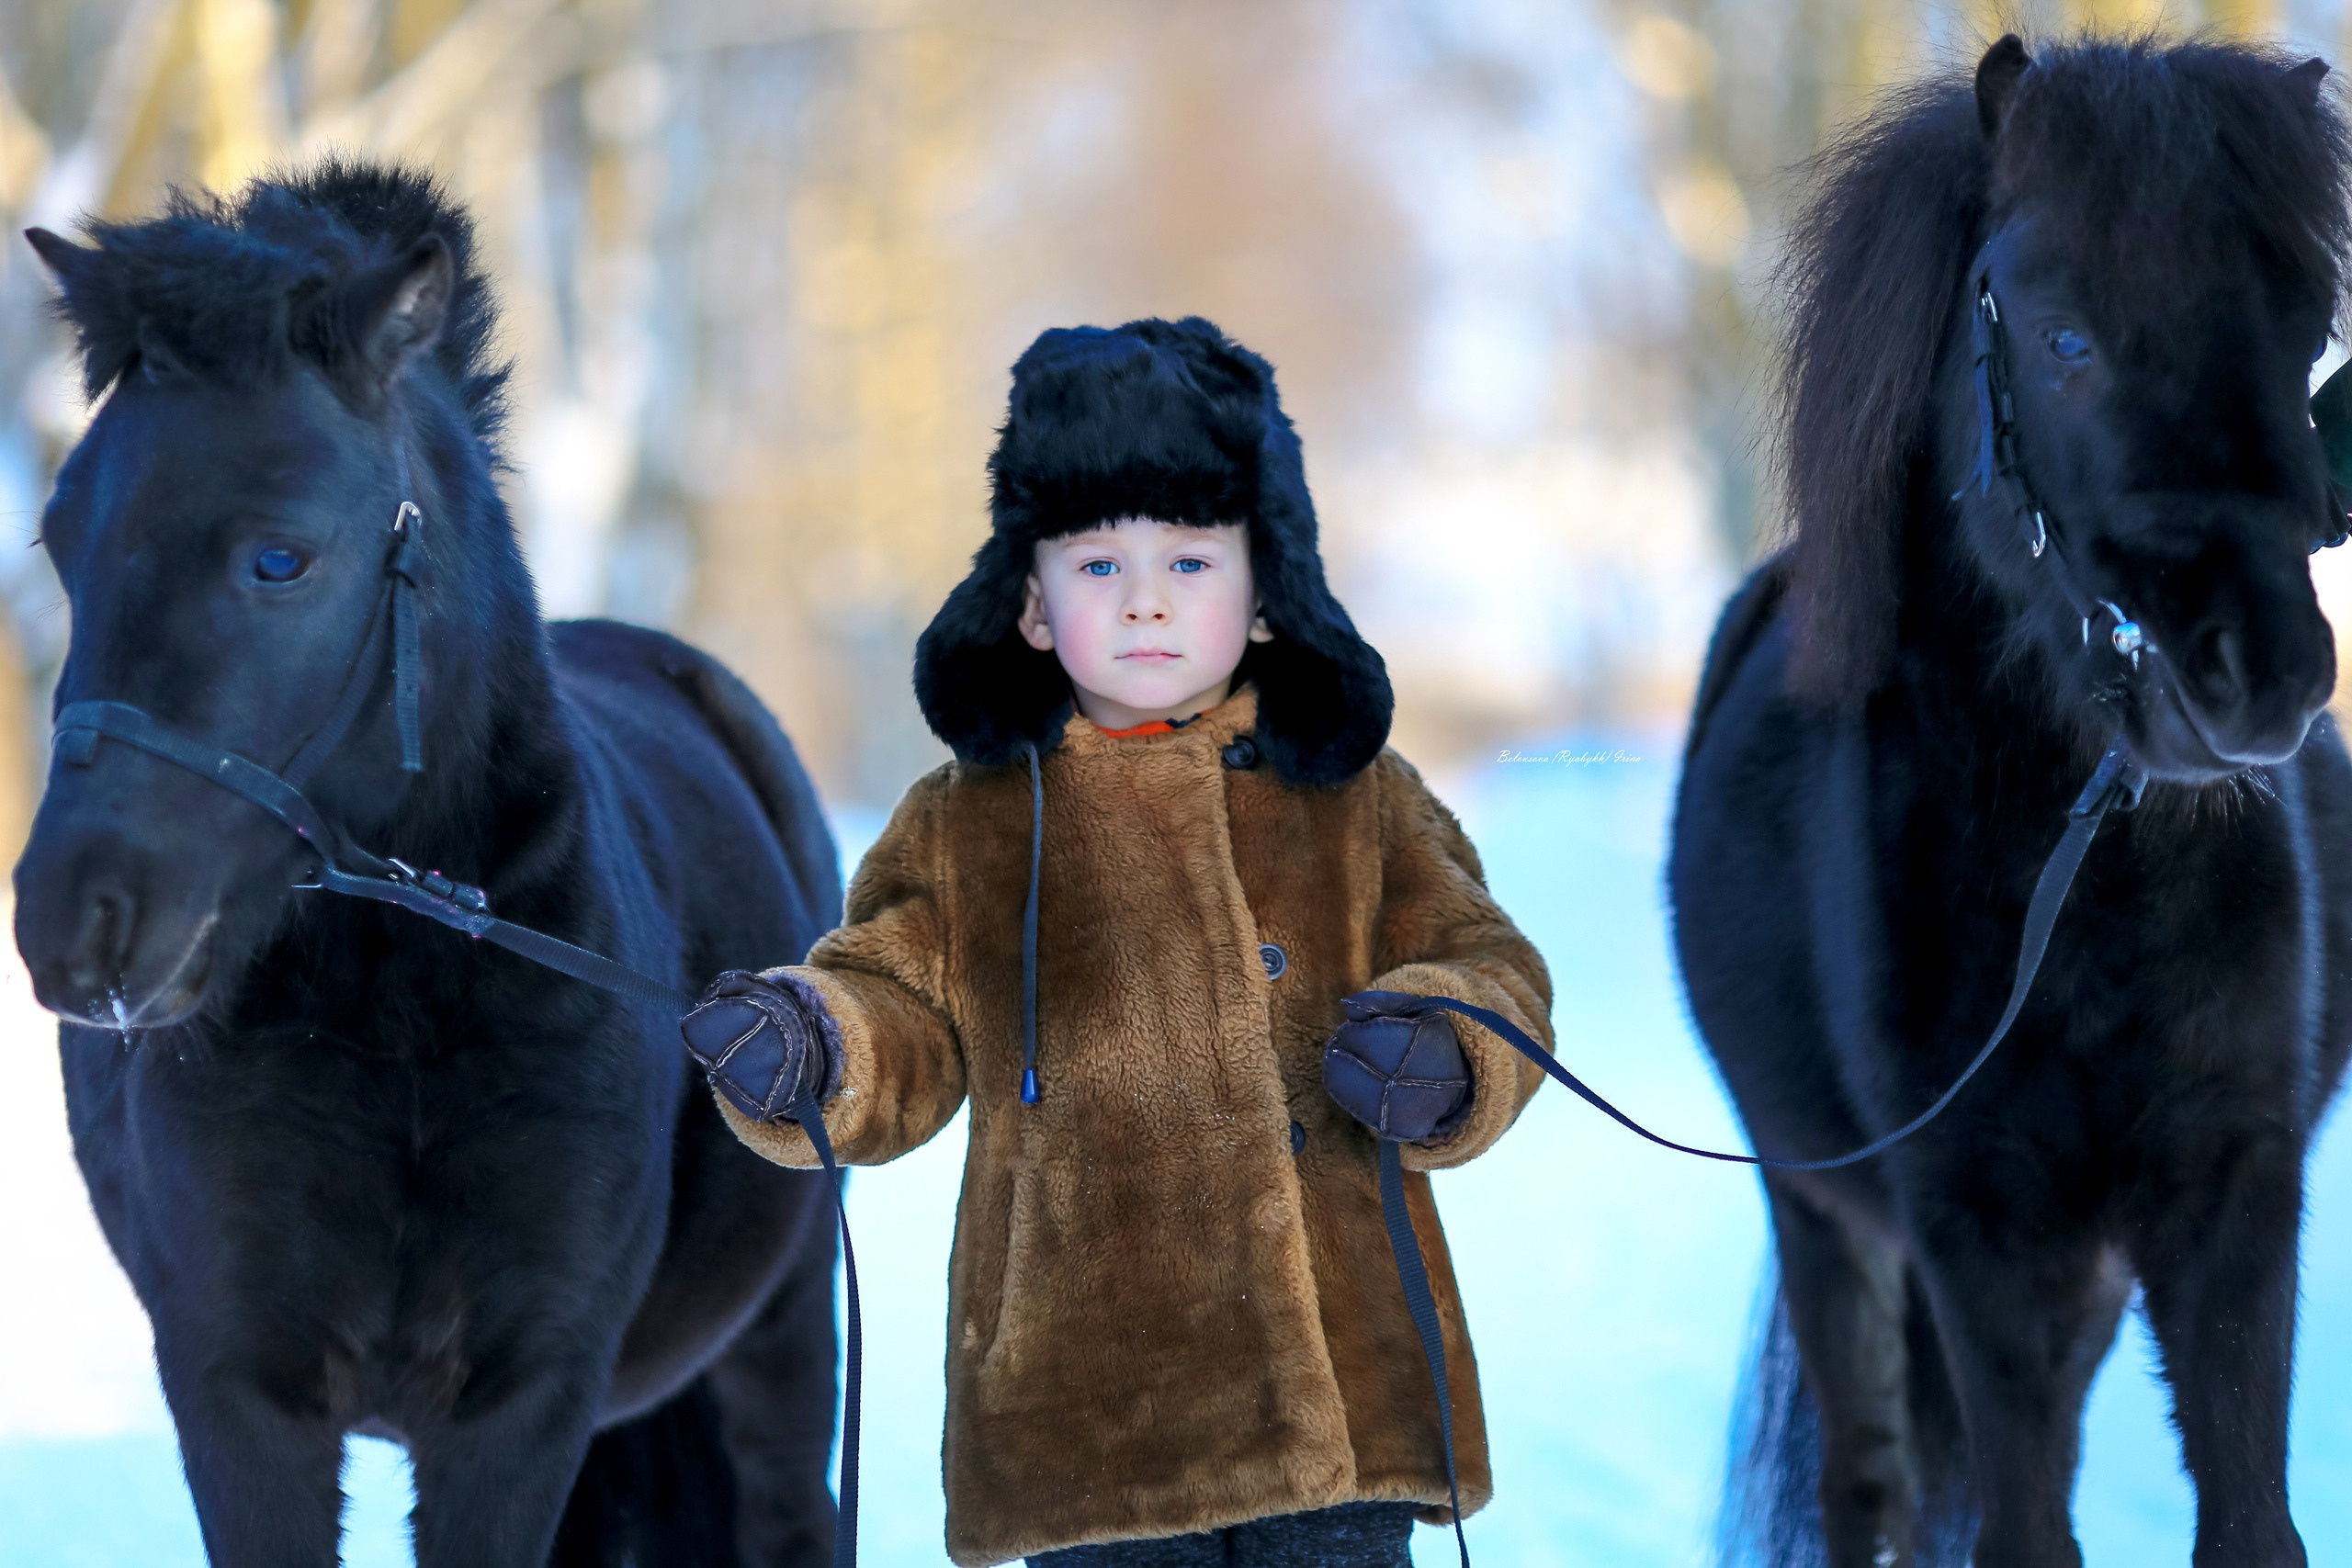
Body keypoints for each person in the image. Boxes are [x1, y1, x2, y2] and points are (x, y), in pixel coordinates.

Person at [681, 317, 1554, 1567]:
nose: (1145, 597)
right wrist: (818, 1046)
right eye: (1098, 567)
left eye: (1191, 562)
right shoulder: (968, 823)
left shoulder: (1353, 797)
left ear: (1264, 597)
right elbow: (897, 1005)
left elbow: (1495, 966)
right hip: (1087, 1423)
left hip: (1341, 1411)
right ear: (1032, 608)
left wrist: (1452, 1046)